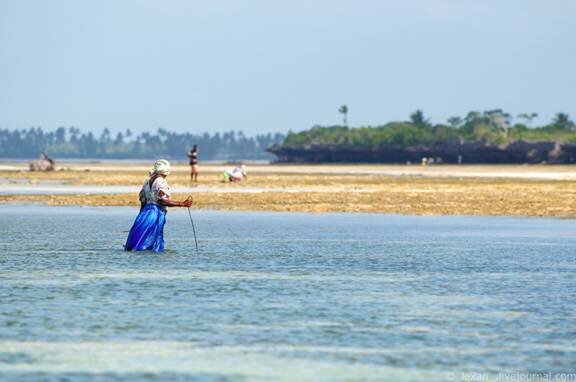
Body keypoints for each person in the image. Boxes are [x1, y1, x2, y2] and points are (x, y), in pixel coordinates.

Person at [125, 159, 193, 252]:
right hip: (155, 212)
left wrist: (140, 218)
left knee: (140, 236)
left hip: (144, 213)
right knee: (152, 239)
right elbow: (162, 201)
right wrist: (182, 204)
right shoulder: (160, 181)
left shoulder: (147, 182)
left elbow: (143, 201)